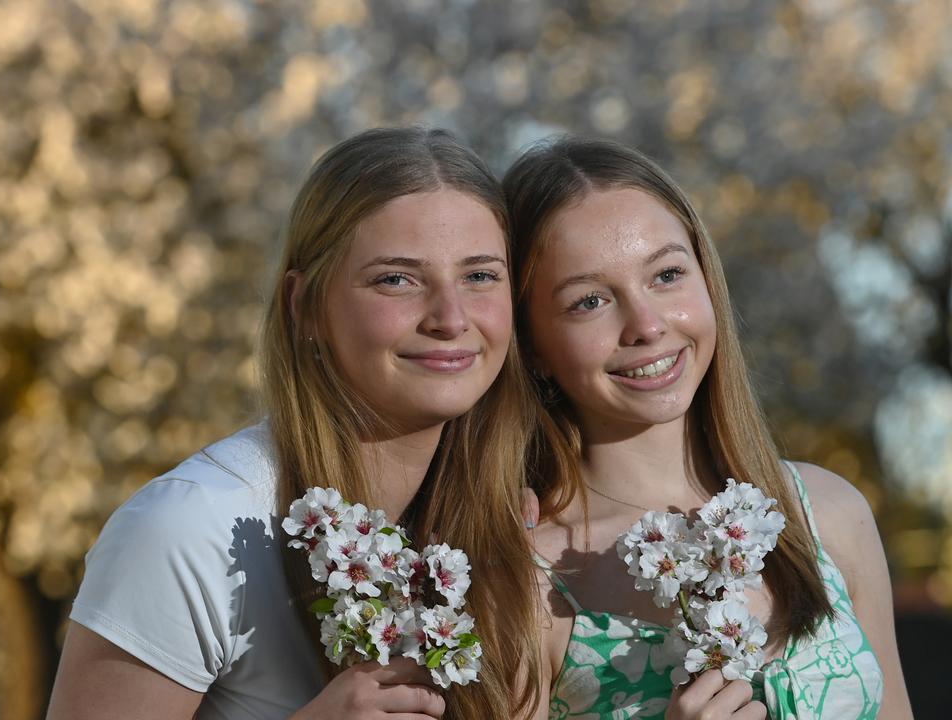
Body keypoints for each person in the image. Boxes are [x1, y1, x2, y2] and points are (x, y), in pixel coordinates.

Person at [46, 127, 545, 720]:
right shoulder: (189, 528)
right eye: (396, 279)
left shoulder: (508, 528)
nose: (450, 316)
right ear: (303, 306)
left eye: (480, 276)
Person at [502, 137, 914, 720]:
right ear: (532, 345)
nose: (646, 325)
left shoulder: (827, 514)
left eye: (667, 274)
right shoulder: (526, 578)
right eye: (590, 300)